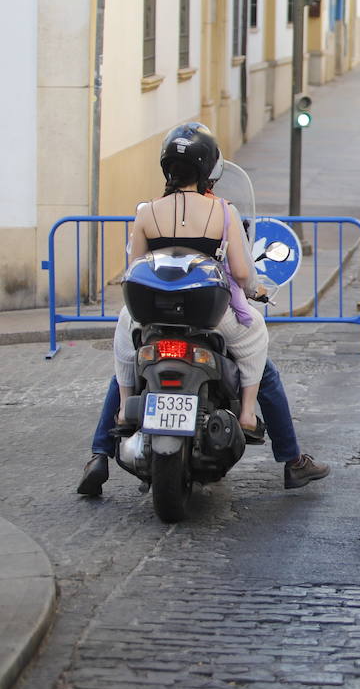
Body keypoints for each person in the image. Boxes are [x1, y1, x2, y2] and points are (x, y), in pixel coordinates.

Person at [76, 124, 328, 495]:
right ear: (208, 167)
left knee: (128, 359)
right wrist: (255, 289)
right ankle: (268, 436)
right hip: (208, 316)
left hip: (152, 314)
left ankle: (104, 445)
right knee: (260, 354)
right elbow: (242, 273)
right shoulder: (223, 212)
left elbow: (136, 269)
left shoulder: (147, 213)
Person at [78, 360, 329, 494]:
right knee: (265, 371)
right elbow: (241, 275)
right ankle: (292, 460)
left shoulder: (146, 263)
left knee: (125, 372)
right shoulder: (216, 261)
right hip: (207, 320)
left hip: (152, 320)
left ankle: (99, 455)